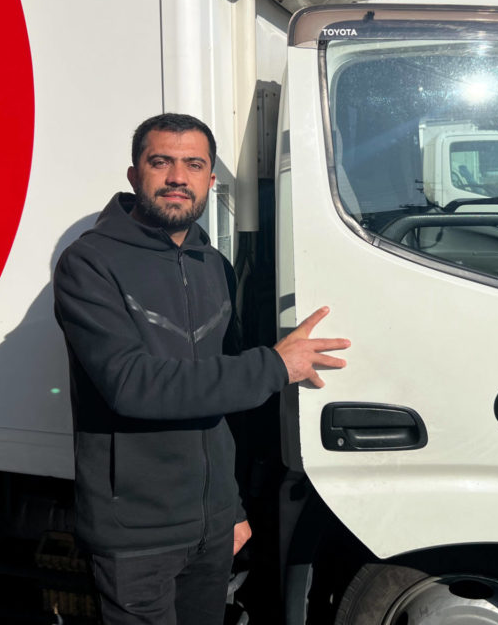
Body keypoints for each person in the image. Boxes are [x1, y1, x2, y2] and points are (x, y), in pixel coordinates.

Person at [53, 113, 349, 625]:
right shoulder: (89, 263)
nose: (177, 177)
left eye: (193, 164)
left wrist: (229, 508)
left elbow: (222, 402)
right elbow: (132, 386)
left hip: (211, 529)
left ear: (210, 180)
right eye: (160, 161)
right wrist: (275, 365)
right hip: (135, 532)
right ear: (133, 175)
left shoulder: (213, 265)